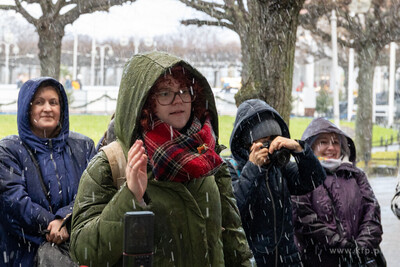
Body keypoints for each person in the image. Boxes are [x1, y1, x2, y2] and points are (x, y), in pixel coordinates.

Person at [70, 51, 254, 267]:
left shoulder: (209, 158)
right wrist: (130, 197)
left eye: (184, 91)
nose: (179, 100)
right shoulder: (109, 164)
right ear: (145, 104)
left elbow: (234, 242)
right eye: (165, 94)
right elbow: (84, 251)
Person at [0, 77, 96, 266]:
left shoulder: (83, 147)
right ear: (27, 109)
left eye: (54, 102)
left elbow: (92, 192)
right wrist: (49, 225)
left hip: (74, 251)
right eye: (39, 102)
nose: (47, 108)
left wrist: (65, 219)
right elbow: (13, 201)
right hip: (22, 255)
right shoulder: (9, 150)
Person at [226, 99, 326, 267]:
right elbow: (234, 211)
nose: (270, 146)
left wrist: (299, 150)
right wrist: (253, 168)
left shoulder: (280, 168)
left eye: (274, 139)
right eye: (265, 140)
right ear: (247, 142)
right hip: (251, 261)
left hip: (287, 258)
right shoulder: (231, 168)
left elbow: (314, 179)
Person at [292, 117, 384, 266]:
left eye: (335, 142)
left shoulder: (356, 175)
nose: (331, 148)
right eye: (323, 142)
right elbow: (305, 220)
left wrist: (361, 248)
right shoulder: (301, 177)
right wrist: (343, 248)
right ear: (311, 146)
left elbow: (372, 213)